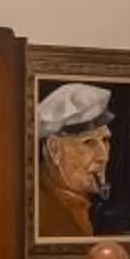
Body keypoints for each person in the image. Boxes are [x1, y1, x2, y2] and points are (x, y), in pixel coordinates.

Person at [36, 81, 114, 238]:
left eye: (105, 140)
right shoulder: (47, 215)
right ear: (54, 149)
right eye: (88, 143)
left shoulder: (77, 204)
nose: (103, 157)